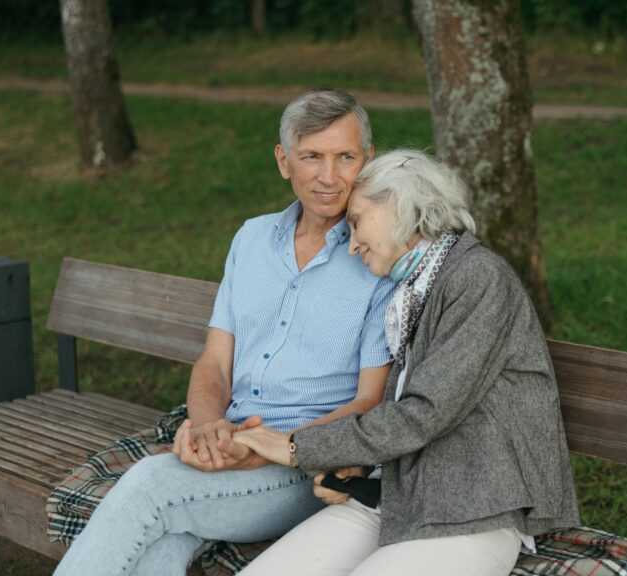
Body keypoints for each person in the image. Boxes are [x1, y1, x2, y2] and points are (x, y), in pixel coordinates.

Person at [53, 90, 395, 576]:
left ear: (368, 161)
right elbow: (214, 361)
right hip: (229, 439)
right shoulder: (251, 239)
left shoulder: (377, 256)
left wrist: (262, 448)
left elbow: (368, 403)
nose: (328, 176)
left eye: (345, 157)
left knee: (151, 486)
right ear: (283, 161)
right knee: (166, 539)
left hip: (304, 468)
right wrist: (209, 427)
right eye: (312, 156)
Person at [233, 149, 581, 576]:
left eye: (357, 221)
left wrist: (297, 447)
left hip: (472, 505)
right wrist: (357, 467)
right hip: (397, 496)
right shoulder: (412, 291)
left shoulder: (477, 279)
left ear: (400, 206)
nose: (353, 242)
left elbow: (424, 413)